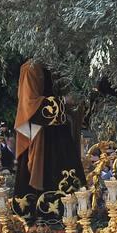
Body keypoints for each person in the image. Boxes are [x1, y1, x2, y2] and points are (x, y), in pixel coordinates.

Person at [13, 59, 86, 219]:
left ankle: (73, 220)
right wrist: (64, 101)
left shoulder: (59, 67)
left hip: (61, 136)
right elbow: (29, 106)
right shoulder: (31, 69)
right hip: (41, 140)